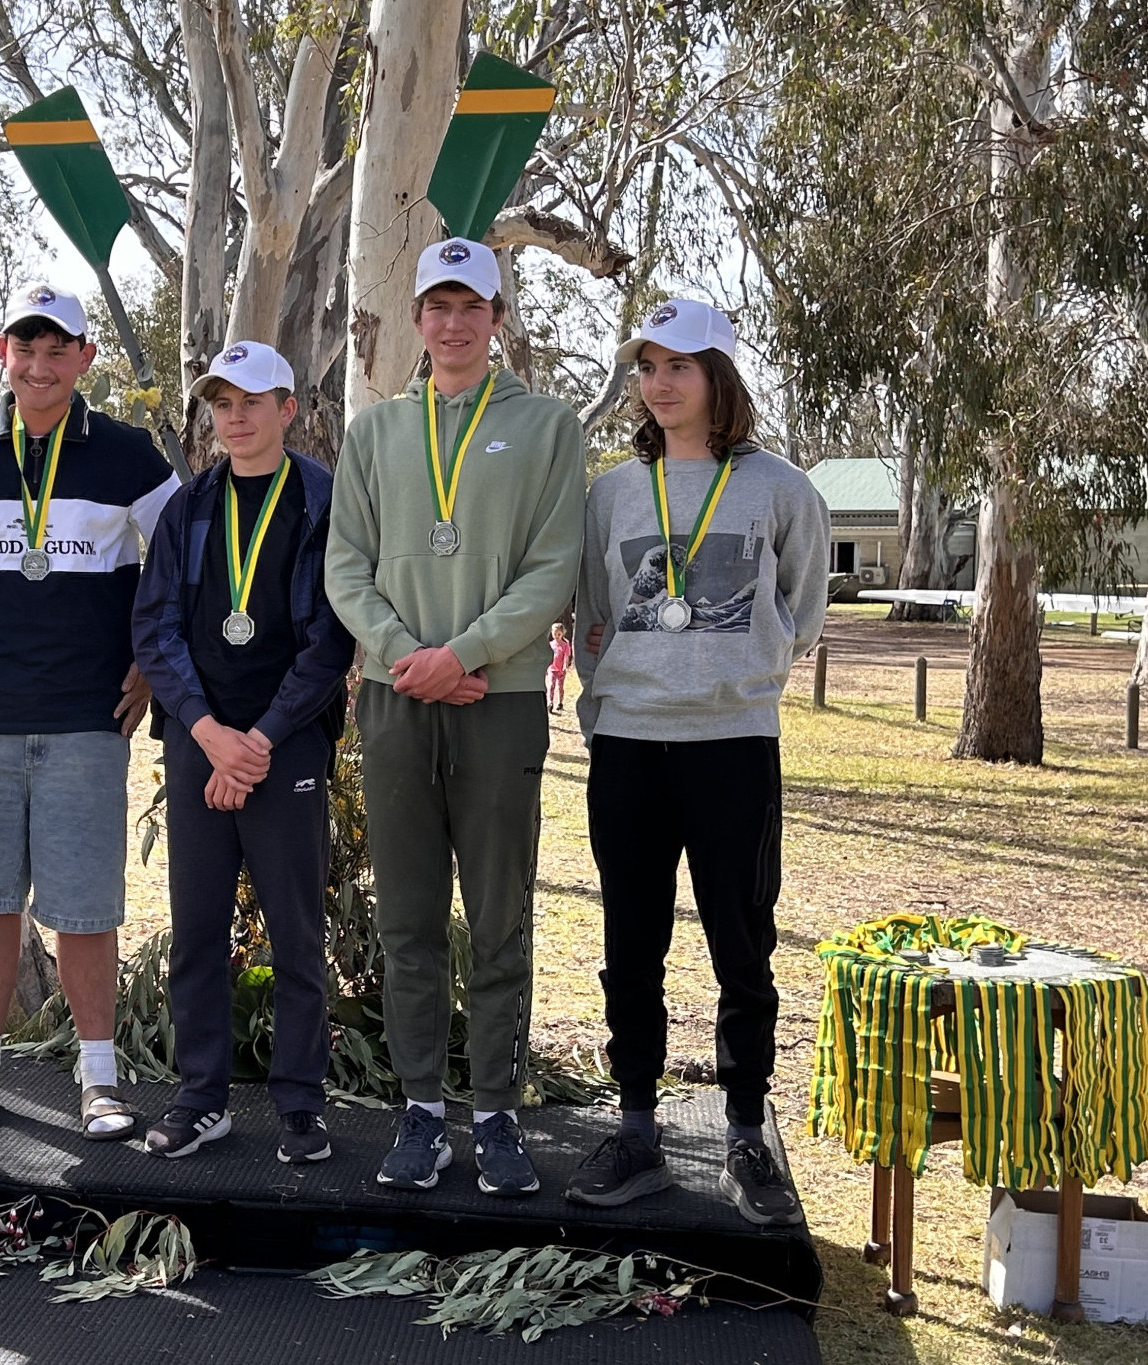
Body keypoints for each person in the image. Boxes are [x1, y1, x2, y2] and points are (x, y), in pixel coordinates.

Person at [325, 237, 585, 1197]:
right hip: (396, 701)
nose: (452, 320)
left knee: (500, 912)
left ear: (497, 318)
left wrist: (460, 656)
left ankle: (500, 1113)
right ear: (417, 320)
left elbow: (554, 566)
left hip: (499, 700)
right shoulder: (375, 432)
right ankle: (422, 1108)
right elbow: (344, 564)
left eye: (471, 304)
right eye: (436, 303)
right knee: (407, 916)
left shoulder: (549, 425)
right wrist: (407, 660)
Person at [564, 299, 828, 1225]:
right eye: (648, 365)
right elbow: (589, 609)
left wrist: (740, 673)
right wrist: (617, 690)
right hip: (630, 744)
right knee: (630, 944)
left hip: (733, 745)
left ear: (721, 377)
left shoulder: (781, 489)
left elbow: (802, 603)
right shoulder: (611, 492)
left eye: (682, 364)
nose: (661, 382)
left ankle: (745, 1132)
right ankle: (636, 1126)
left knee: (741, 946)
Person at [0, 282, 178, 1142]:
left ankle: (99, 1081)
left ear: (86, 358)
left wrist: (148, 661)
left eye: (60, 348)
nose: (42, 362)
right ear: (1, 352)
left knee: (85, 910)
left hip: (88, 720)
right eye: (28, 346)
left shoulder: (131, 453)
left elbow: (182, 561)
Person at [131, 341, 354, 1162]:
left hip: (284, 743)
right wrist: (207, 730)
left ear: (289, 409)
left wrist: (258, 739)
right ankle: (201, 1097)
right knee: (196, 929)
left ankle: (300, 1103)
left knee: (297, 933)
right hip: (201, 741)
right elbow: (153, 630)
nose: (236, 416)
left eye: (253, 401)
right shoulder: (188, 507)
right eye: (222, 402)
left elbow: (332, 641)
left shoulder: (322, 501)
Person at [546, 622, 573, 714]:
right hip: (552, 668)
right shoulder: (550, 644)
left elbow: (566, 657)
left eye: (559, 634)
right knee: (551, 685)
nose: (556, 636)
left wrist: (565, 666)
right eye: (554, 634)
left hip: (561, 669)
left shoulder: (565, 645)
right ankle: (550, 702)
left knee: (560, 687)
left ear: (562, 634)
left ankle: (560, 703)